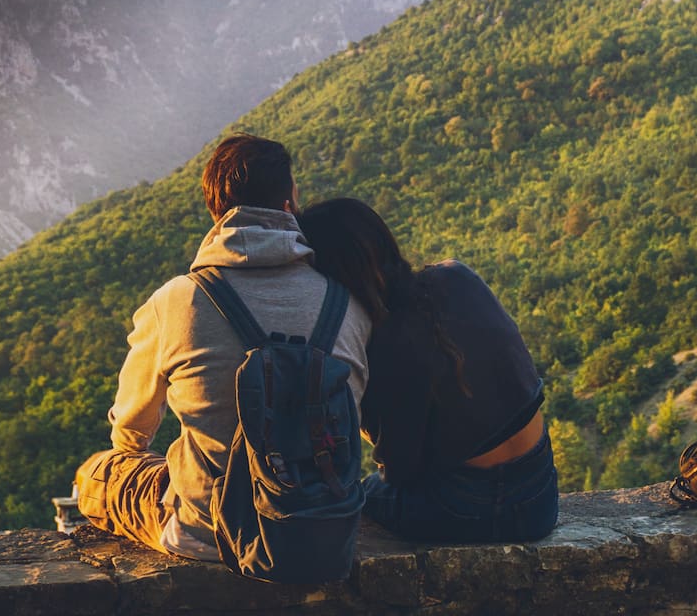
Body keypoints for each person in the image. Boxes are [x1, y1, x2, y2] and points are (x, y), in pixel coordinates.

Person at [74, 135, 371, 559]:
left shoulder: (178, 299)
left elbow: (131, 429)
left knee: (97, 473)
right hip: (322, 525)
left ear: (216, 213)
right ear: (289, 204)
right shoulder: (348, 303)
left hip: (208, 530)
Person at [297, 197, 557, 543]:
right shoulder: (456, 275)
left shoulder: (385, 344)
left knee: (358, 494)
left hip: (471, 507)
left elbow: (400, 473)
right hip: (542, 493)